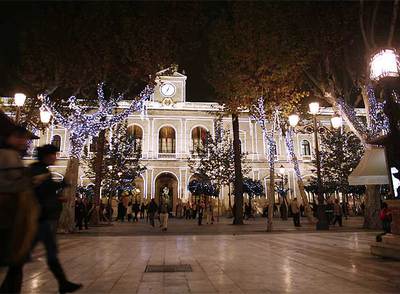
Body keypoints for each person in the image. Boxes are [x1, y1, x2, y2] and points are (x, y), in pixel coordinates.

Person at [29, 144, 82, 293]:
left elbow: (46, 190)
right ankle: (63, 282)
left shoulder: (42, 170)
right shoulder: (37, 171)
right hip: (37, 219)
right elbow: (39, 191)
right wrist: (61, 185)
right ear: (47, 156)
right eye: (54, 154)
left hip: (42, 218)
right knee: (24, 255)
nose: (56, 157)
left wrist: (58, 197)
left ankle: (63, 282)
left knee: (48, 251)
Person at [0, 125, 39, 293]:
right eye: (19, 137)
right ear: (8, 137)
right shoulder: (7, 155)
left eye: (25, 138)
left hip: (10, 213)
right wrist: (30, 179)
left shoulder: (12, 154)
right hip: (7, 214)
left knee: (14, 262)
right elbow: (13, 183)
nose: (24, 141)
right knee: (14, 260)